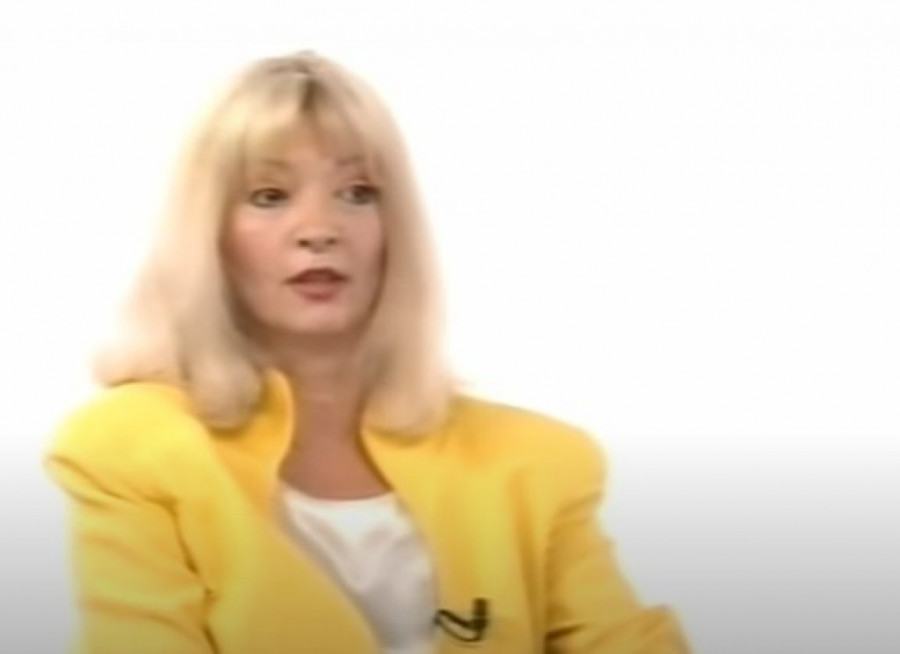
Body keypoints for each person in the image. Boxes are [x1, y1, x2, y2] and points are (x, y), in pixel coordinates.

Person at [44, 50, 690, 654]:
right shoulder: (130, 451)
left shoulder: (538, 464)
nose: (320, 229)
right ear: (206, 236)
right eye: (269, 196)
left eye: (358, 193)